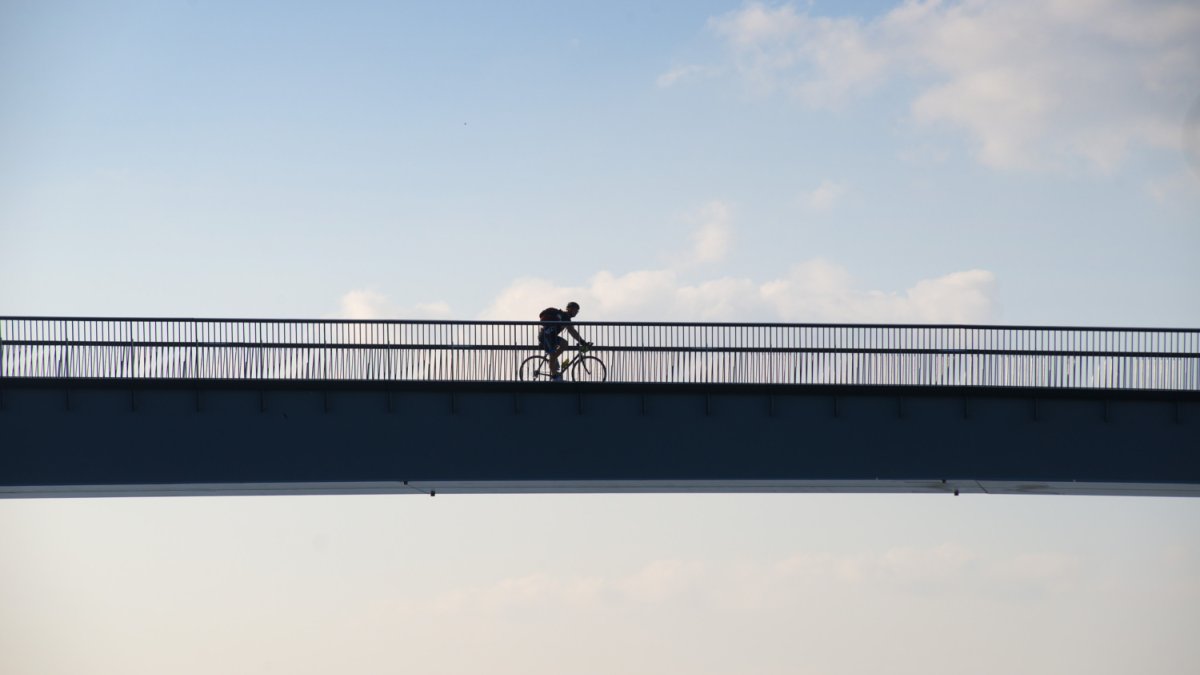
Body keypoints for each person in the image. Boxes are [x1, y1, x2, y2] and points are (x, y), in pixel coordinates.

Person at [538, 301, 591, 381]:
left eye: (577, 311)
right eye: (575, 310)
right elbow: (573, 332)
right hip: (546, 337)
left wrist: (582, 342)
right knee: (554, 356)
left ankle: (553, 362)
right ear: (569, 309)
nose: (576, 312)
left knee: (564, 344)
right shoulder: (564, 316)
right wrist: (582, 342)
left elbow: (573, 332)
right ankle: (555, 377)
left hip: (551, 337)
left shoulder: (566, 317)